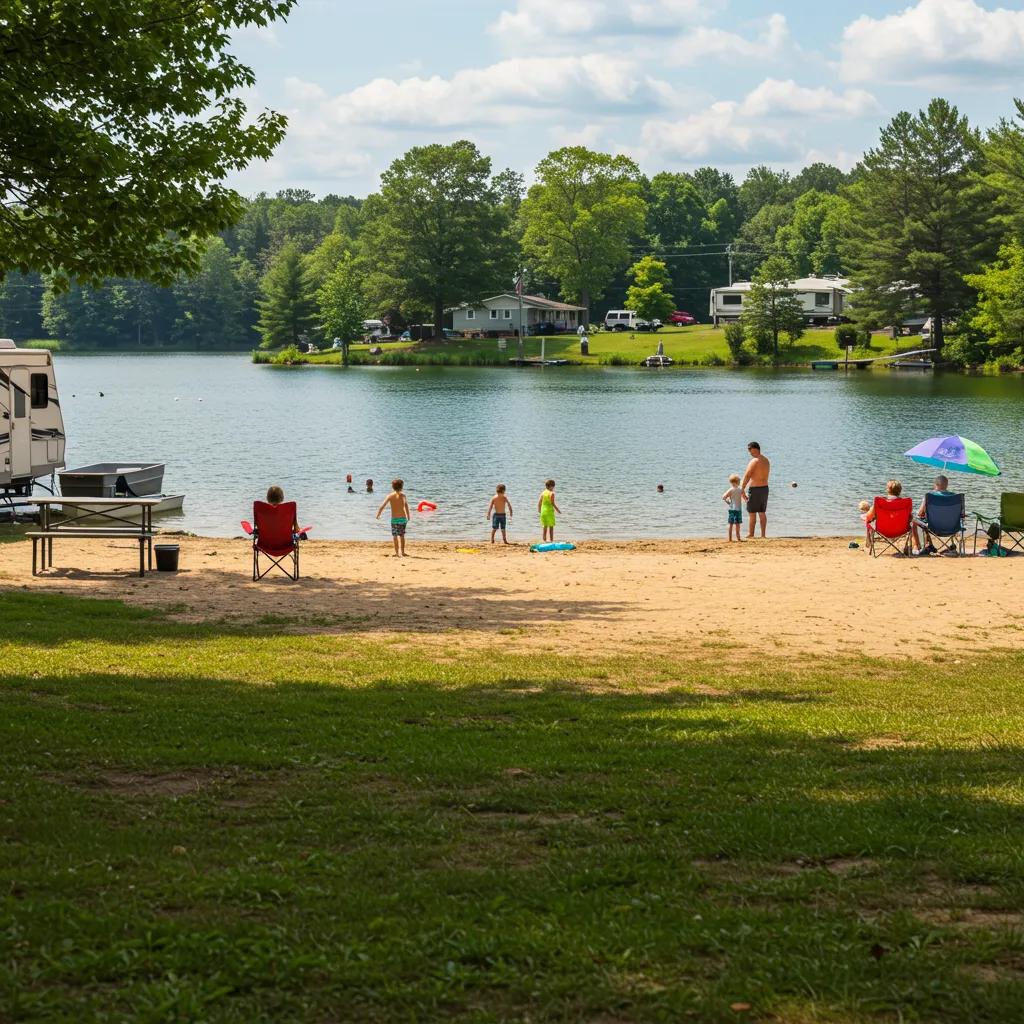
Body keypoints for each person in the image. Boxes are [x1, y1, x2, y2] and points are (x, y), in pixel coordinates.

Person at [912, 474, 955, 554]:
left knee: (915, 521)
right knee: (924, 522)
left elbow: (920, 513)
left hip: (933, 527)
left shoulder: (929, 496)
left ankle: (918, 547)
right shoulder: (955, 497)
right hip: (952, 527)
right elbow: (961, 514)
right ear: (947, 485)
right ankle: (930, 544)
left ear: (936, 485)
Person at [741, 441, 771, 538]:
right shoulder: (766, 460)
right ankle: (763, 535)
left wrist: (742, 488)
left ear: (755, 449)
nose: (750, 453)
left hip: (755, 489)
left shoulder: (754, 461)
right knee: (762, 512)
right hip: (764, 489)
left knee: (752, 512)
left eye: (750, 450)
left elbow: (748, 475)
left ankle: (751, 534)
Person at [376, 478, 411, 557]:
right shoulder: (403, 496)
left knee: (395, 536)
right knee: (402, 536)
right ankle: (402, 552)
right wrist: (408, 515)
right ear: (402, 487)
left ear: (393, 487)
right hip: (403, 519)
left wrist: (378, 514)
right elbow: (406, 506)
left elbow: (382, 506)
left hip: (394, 519)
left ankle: (396, 553)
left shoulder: (390, 496)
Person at [722, 474, 747, 542]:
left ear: (731, 482)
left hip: (731, 509)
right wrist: (747, 499)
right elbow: (745, 497)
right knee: (737, 524)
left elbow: (723, 497)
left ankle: (730, 539)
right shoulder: (741, 489)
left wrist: (729, 502)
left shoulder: (730, 490)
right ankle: (738, 538)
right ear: (738, 482)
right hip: (738, 509)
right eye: (739, 481)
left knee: (730, 524)